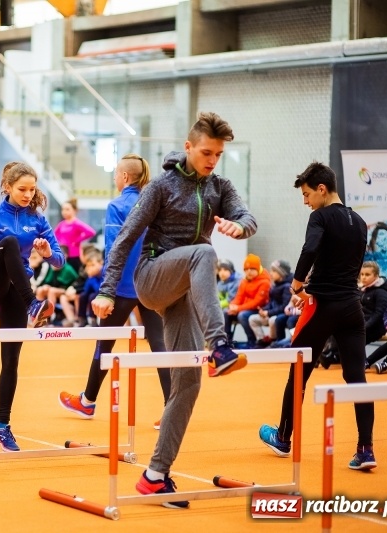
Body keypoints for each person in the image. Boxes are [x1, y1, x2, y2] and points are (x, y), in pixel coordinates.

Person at [91, 112, 255, 507]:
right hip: (152, 278)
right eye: (205, 152)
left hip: (184, 291)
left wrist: (241, 227)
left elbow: (247, 217)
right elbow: (126, 237)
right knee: (203, 251)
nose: (212, 160)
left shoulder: (220, 187)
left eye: (218, 154)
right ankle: (220, 346)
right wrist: (108, 291)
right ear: (188, 147)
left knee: (188, 384)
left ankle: (155, 475)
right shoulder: (162, 187)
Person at [259, 161, 376, 472]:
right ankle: (366, 449)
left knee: (298, 372)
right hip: (352, 308)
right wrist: (312, 287)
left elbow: (310, 250)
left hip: (323, 308)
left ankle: (283, 437)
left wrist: (298, 286)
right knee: (357, 378)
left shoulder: (320, 216)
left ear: (322, 190)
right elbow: (343, 268)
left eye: (308, 194)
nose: (306, 201)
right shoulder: (361, 222)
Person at [59, 153, 171, 432]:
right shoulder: (154, 203)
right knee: (158, 342)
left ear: (124, 177)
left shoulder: (117, 205)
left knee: (104, 344)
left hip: (121, 286)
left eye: (115, 174)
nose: (113, 178)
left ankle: (87, 401)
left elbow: (114, 248)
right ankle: (172, 408)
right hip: (150, 282)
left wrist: (106, 290)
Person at [0, 161, 63, 452]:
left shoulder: (38, 218)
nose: (28, 194)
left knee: (12, 360)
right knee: (7, 243)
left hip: (17, 289)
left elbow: (60, 260)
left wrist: (47, 255)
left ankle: (2, 426)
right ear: (7, 187)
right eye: (22, 189)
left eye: (32, 189)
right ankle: (34, 306)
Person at [224, 254, 271, 347]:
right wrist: (233, 306)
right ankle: (227, 341)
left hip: (259, 309)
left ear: (258, 269)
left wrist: (238, 308)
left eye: (252, 269)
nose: (249, 272)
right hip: (245, 308)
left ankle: (252, 341)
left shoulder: (265, 282)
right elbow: (239, 297)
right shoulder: (244, 281)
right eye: (246, 269)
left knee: (242, 315)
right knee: (226, 312)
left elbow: (257, 302)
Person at [249, 260, 293, 347]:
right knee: (252, 319)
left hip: (280, 314)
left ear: (281, 273)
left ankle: (273, 341)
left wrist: (269, 312)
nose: (271, 273)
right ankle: (261, 340)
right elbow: (271, 302)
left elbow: (284, 306)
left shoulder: (287, 286)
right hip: (270, 313)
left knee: (273, 320)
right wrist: (264, 310)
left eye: (274, 271)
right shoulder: (274, 285)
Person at [54, 198, 96, 273]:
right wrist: (61, 243)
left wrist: (77, 241)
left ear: (75, 210)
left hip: (75, 255)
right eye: (63, 209)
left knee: (75, 273)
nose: (64, 212)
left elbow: (91, 232)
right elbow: (54, 234)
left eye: (67, 209)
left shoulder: (77, 223)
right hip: (64, 254)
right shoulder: (62, 224)